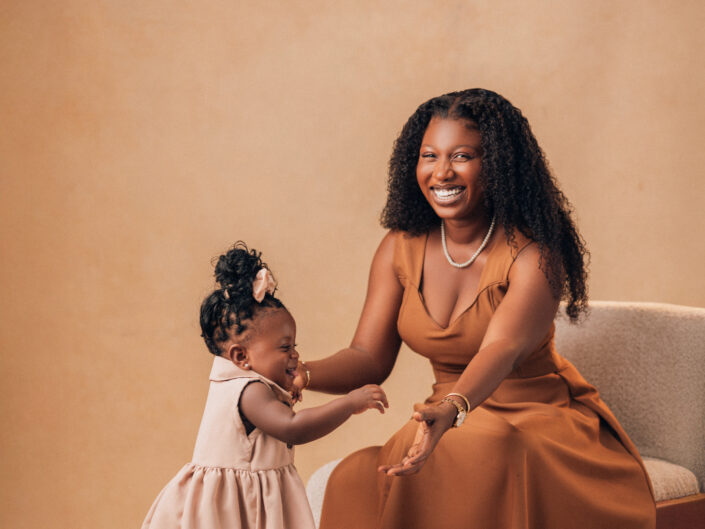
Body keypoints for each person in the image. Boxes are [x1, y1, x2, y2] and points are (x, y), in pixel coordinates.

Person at [297, 89, 656, 528]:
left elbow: (501, 348)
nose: (441, 172)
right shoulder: (399, 247)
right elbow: (367, 357)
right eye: (429, 156)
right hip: (446, 419)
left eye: (462, 156)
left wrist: (452, 409)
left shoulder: (533, 254)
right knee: (353, 477)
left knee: (474, 451)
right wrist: (300, 374)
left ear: (499, 165)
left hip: (535, 417)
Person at [141, 242, 388, 529]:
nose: (294, 355)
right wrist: (348, 403)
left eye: (294, 345)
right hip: (231, 509)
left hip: (247, 500)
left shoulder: (250, 384)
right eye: (285, 347)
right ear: (241, 357)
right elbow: (293, 427)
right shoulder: (249, 390)